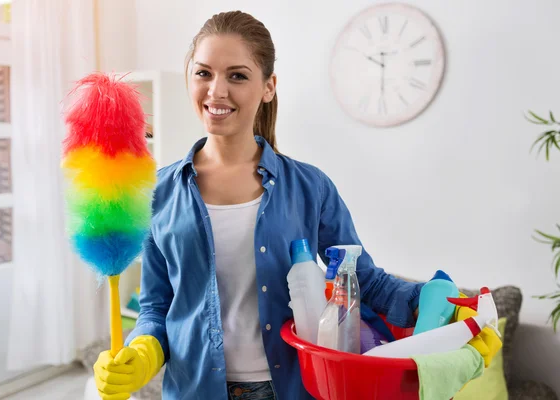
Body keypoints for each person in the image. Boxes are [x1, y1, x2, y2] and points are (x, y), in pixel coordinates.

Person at [92, 10, 495, 400]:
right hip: (194, 390)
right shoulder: (156, 193)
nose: (216, 90)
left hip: (290, 389)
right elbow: (157, 307)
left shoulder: (309, 187)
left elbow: (363, 281)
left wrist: (457, 313)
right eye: (203, 73)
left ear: (268, 87)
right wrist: (142, 352)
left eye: (237, 75)